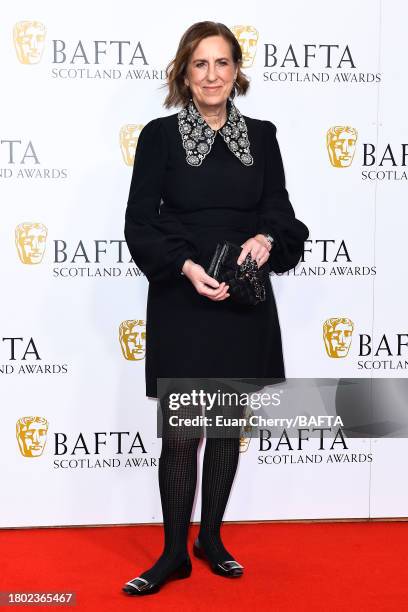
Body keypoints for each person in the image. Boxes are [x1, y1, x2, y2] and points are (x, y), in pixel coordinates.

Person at [122, 21, 309, 596]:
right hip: (184, 291)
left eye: (222, 63)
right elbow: (139, 222)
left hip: (243, 296)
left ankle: (212, 539)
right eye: (200, 64)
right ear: (184, 71)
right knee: (182, 432)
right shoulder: (158, 135)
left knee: (226, 427)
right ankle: (174, 552)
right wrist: (183, 267)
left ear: (237, 71)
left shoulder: (263, 135)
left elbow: (281, 211)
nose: (212, 75)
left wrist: (266, 241)